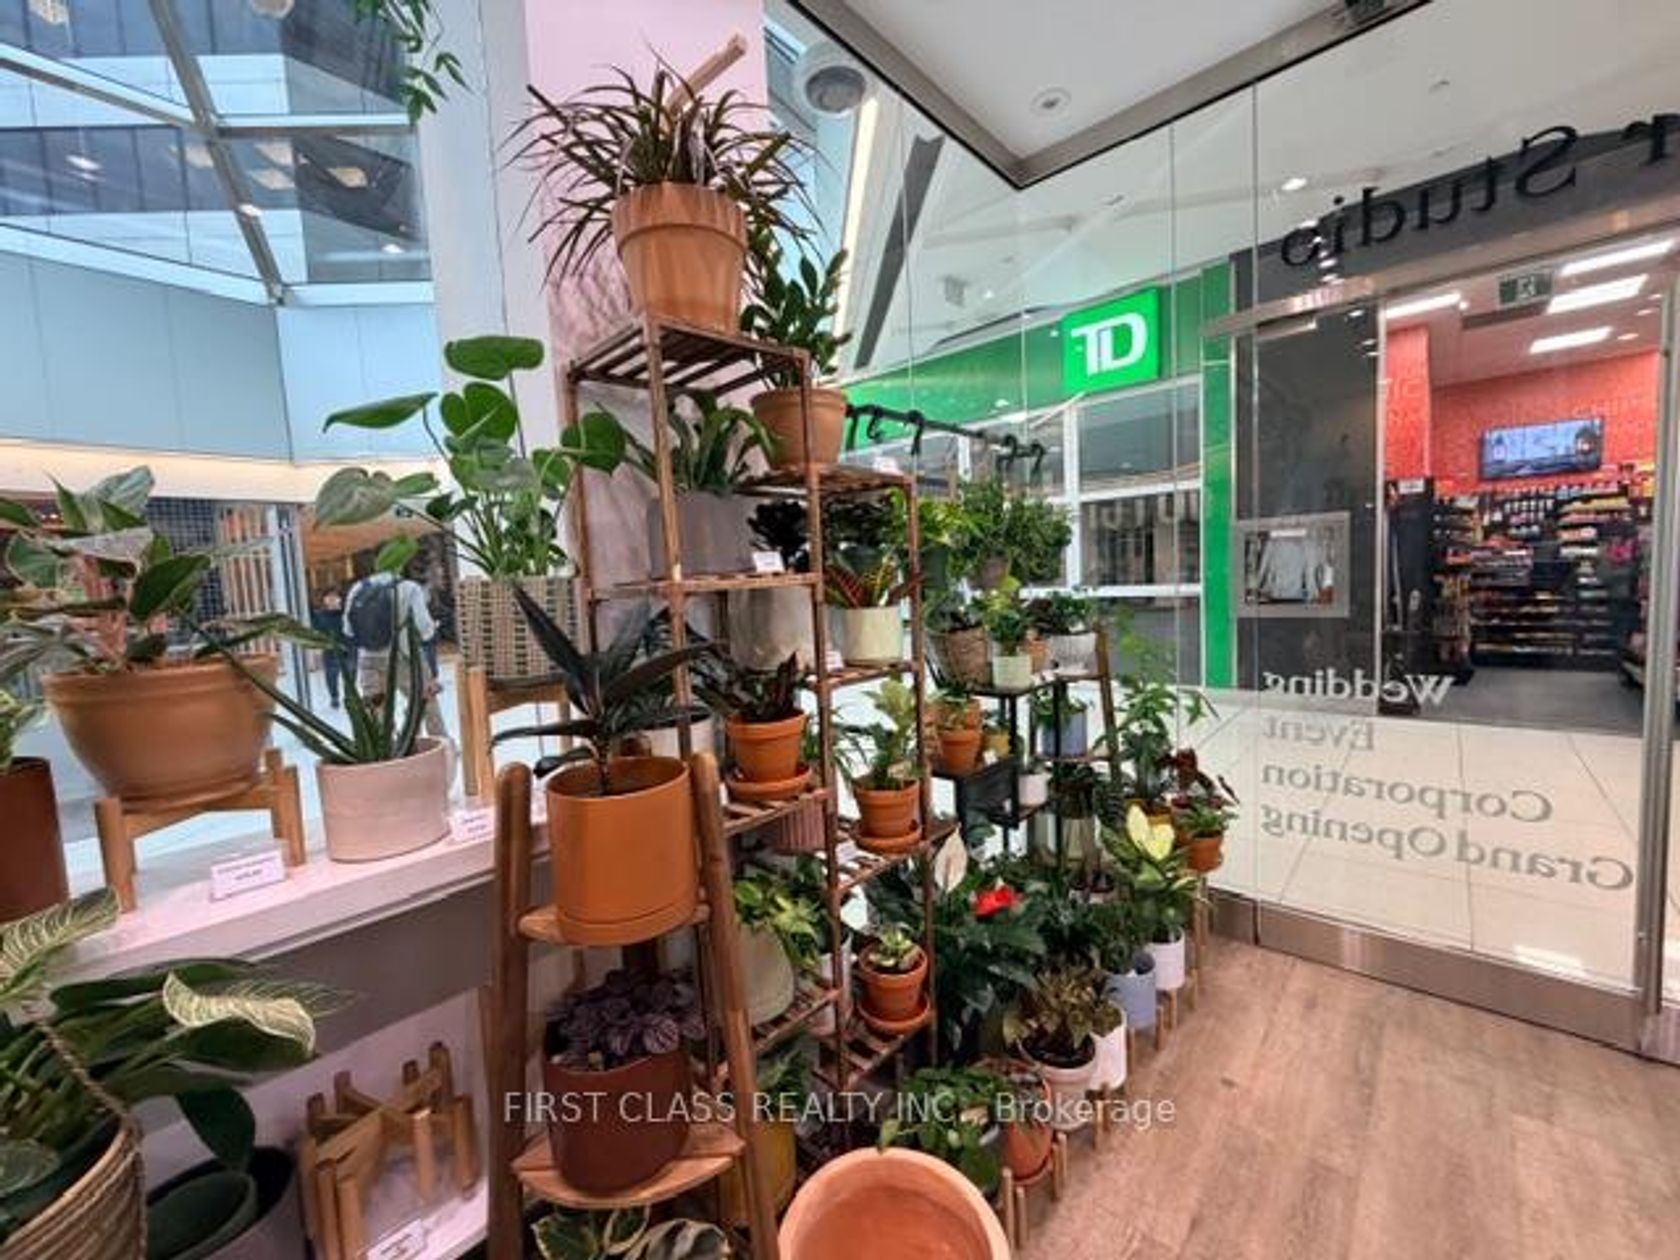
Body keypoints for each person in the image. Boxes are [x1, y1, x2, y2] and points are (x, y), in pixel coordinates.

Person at [342, 568, 447, 738]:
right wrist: (432, 631)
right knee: (425, 702)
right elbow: (424, 628)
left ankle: (388, 749)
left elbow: (347, 630)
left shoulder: (358, 588)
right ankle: (438, 742)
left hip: (368, 659)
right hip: (403, 656)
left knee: (377, 709)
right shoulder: (409, 588)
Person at [309, 588, 349, 709]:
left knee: (350, 674)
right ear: (324, 600)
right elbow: (314, 627)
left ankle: (350, 697)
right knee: (331, 675)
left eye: (335, 596)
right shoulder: (319, 615)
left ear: (340, 599)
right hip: (330, 649)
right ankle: (334, 697)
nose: (332, 599)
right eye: (329, 596)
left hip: (348, 648)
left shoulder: (347, 614)